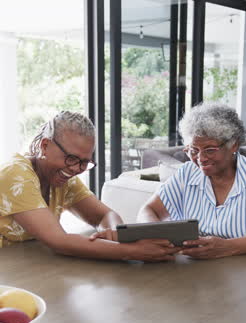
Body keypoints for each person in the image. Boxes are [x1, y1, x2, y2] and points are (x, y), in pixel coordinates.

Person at [0, 111, 177, 262]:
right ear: (45, 146)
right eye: (72, 158)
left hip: (26, 262)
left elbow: (106, 215)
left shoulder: (62, 178)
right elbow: (58, 241)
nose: (76, 169)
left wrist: (114, 234)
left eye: (84, 162)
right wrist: (133, 251)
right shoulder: (15, 175)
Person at [137, 102, 246, 259]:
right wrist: (155, 236)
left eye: (210, 150)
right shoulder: (187, 173)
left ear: (234, 145)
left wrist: (229, 247)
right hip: (192, 272)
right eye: (193, 150)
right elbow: (149, 210)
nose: (201, 158)